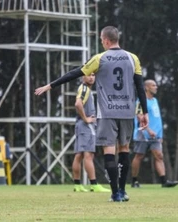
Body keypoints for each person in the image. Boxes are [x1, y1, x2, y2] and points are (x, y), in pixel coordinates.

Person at [35, 26, 149, 202]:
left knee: (109, 151)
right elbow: (140, 87)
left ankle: (115, 194)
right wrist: (145, 112)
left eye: (102, 40)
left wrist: (50, 85)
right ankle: (123, 190)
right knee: (124, 150)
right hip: (127, 111)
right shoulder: (132, 58)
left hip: (107, 112)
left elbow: (75, 73)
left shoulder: (99, 58)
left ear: (105, 40)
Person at [131, 79, 178, 188]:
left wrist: (160, 135)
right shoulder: (140, 101)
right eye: (153, 85)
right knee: (139, 156)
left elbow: (157, 119)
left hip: (156, 136)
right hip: (142, 134)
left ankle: (163, 181)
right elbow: (139, 117)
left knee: (159, 156)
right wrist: (148, 130)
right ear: (146, 88)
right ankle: (134, 181)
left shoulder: (155, 100)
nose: (156, 87)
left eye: (156, 85)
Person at [72, 74, 110, 193]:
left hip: (82, 126)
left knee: (79, 155)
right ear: (83, 77)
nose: (91, 78)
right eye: (88, 75)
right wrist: (86, 119)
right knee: (88, 155)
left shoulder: (85, 89)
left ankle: (77, 185)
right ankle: (94, 184)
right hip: (85, 126)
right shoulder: (84, 89)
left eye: (93, 75)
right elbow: (78, 104)